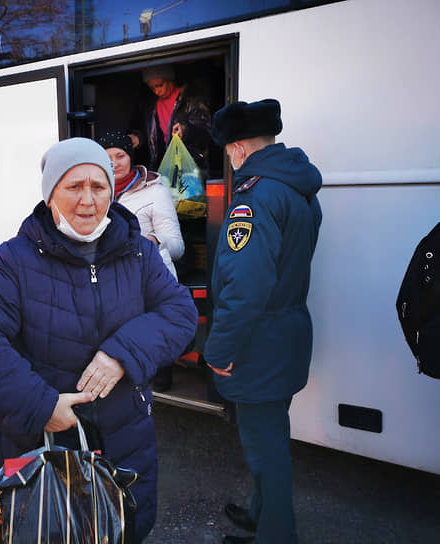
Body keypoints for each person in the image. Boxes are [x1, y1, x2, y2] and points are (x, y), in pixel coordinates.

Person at [0, 137, 198, 542]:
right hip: (41, 444)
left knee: (123, 528)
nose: (88, 200)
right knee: (46, 530)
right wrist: (41, 406)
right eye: (73, 186)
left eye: (98, 187)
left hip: (124, 438)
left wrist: (123, 354)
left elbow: (180, 314)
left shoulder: (139, 253)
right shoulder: (17, 259)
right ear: (50, 196)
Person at [203, 99, 322, 544]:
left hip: (258, 345)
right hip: (286, 334)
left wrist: (218, 350)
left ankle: (276, 535)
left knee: (265, 448)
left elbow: (245, 288)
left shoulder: (254, 197)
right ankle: (261, 514)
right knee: (271, 435)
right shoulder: (297, 187)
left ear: (236, 150)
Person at [97, 131, 186, 392]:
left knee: (157, 369)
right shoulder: (96, 192)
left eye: (120, 155)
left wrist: (152, 239)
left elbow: (177, 247)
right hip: (116, 284)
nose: (113, 163)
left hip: (151, 283)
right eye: (107, 157)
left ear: (131, 156)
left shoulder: (155, 192)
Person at [129, 64, 213, 174]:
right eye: (152, 87)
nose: (156, 91)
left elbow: (206, 131)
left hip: (190, 171)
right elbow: (148, 132)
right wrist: (137, 138)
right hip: (162, 169)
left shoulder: (191, 98)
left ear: (170, 79)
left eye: (159, 85)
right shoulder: (150, 105)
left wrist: (185, 130)